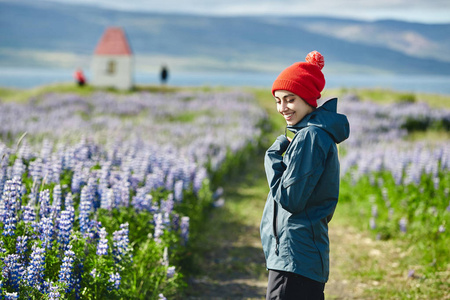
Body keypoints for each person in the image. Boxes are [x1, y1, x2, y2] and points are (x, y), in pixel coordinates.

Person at [260, 51, 350, 300]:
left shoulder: (310, 136)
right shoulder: (312, 134)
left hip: (295, 257)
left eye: (290, 99)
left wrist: (272, 159)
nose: (282, 108)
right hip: (296, 257)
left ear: (308, 99)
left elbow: (291, 199)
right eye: (278, 100)